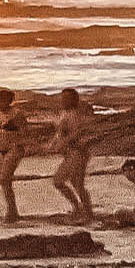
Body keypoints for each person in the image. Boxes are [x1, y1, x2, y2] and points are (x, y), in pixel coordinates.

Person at [48, 87, 98, 228]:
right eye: (62, 98)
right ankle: (85, 212)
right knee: (77, 184)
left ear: (74, 100)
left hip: (77, 152)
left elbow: (74, 135)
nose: (63, 100)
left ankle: (80, 209)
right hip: (72, 153)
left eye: (67, 98)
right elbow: (60, 133)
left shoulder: (75, 115)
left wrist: (60, 144)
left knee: (59, 181)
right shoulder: (65, 113)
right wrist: (52, 145)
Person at [0, 84, 30, 220]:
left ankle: (12, 211)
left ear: (8, 101)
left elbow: (25, 132)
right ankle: (12, 210)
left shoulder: (17, 113)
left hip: (15, 148)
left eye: (0, 101)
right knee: (4, 181)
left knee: (5, 178)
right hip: (2, 149)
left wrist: (11, 128)